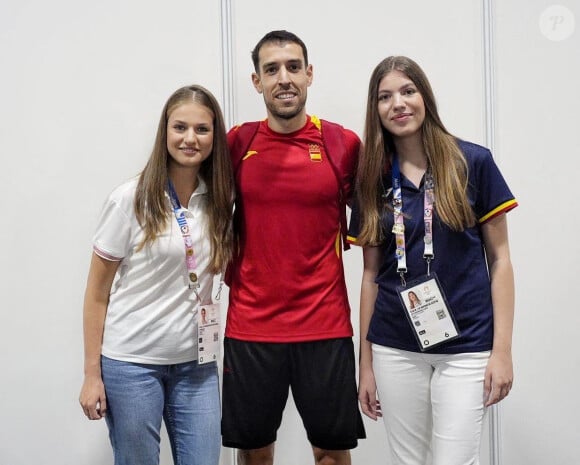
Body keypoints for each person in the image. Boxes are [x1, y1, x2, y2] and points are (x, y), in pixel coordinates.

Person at [349, 56, 517, 465]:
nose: (398, 104)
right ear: (376, 110)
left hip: (467, 346)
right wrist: (365, 365)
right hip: (394, 346)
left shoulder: (471, 162)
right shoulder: (372, 176)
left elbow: (500, 261)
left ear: (425, 96)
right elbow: (370, 276)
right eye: (385, 97)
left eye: (408, 91)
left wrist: (502, 352)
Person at [221, 30, 365, 465]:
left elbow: (387, 219)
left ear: (309, 74)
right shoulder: (237, 142)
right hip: (250, 326)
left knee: (331, 453)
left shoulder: (342, 144)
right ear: (256, 81)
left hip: (325, 325)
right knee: (255, 453)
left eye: (292, 67)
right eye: (271, 69)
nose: (284, 78)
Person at [78, 85, 234, 465]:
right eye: (180, 127)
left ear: (215, 136)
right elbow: (97, 293)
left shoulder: (219, 200)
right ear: (164, 132)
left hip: (197, 368)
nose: (190, 139)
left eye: (202, 129)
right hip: (132, 366)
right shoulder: (130, 199)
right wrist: (91, 375)